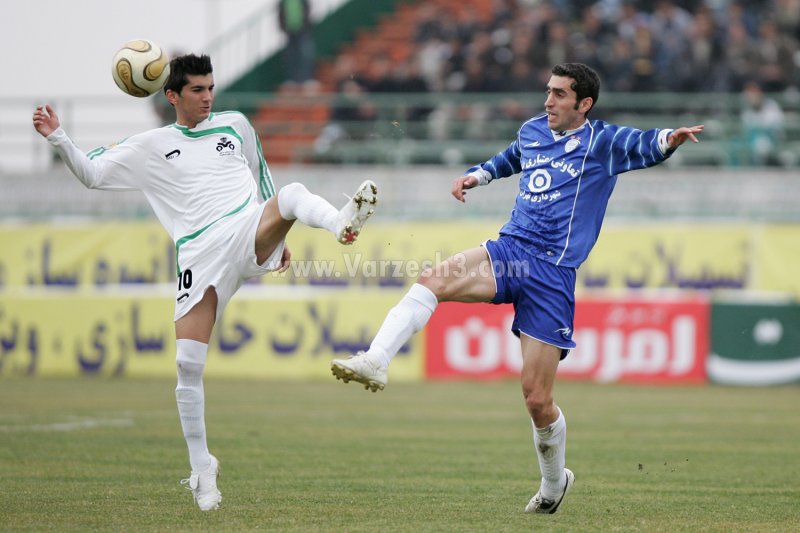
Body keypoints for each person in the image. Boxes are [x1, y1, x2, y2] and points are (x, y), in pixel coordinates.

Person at [331, 63, 703, 514]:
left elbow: (643, 144)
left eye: (560, 94)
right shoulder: (532, 130)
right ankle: (376, 360)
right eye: (548, 91)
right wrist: (476, 176)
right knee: (434, 279)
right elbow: (511, 158)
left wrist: (670, 138)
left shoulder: (601, 142)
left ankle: (553, 484)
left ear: (583, 104)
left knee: (536, 398)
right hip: (512, 250)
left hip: (553, 275)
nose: (548, 101)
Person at [32, 53, 378, 512]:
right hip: (198, 252)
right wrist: (57, 136)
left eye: (211, 87)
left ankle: (340, 224)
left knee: (291, 194)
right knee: (188, 365)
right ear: (172, 95)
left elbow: (262, 178)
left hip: (245, 228)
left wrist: (274, 233)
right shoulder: (151, 145)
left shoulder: (235, 124)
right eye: (197, 90)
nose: (208, 97)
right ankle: (202, 466)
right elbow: (93, 175)